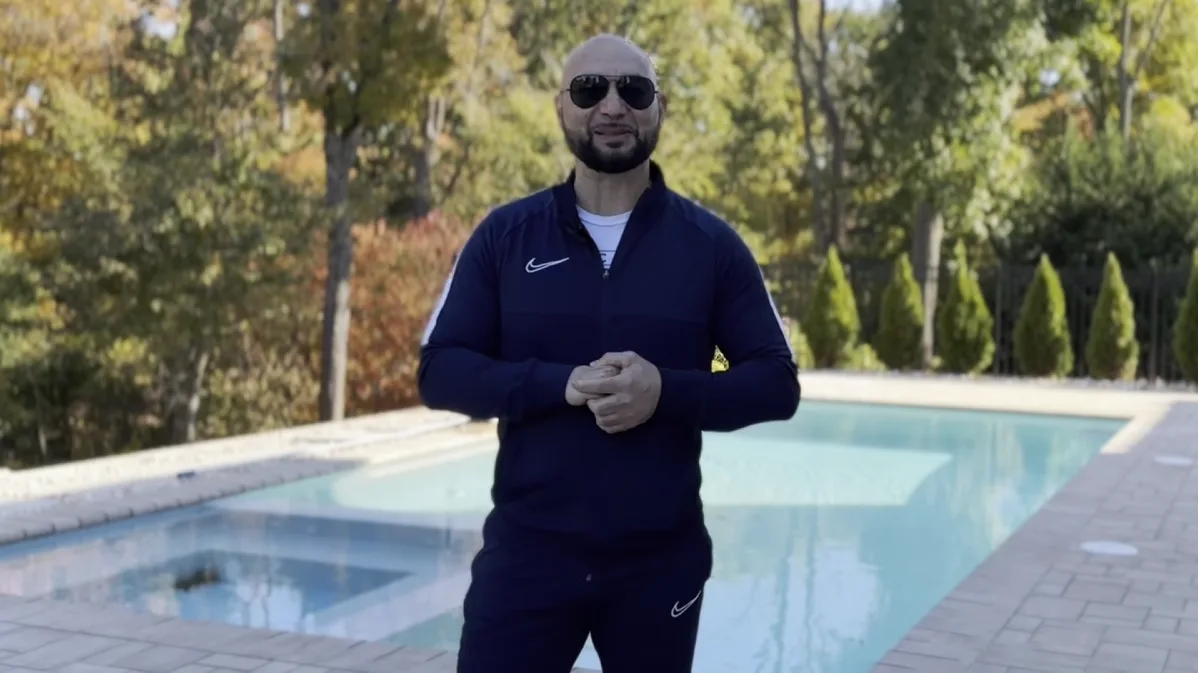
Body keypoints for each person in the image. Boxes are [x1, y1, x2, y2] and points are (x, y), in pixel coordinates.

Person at [418, 33, 801, 673]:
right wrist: (561, 385)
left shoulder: (711, 247)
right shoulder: (505, 237)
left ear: (660, 108)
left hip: (659, 564)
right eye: (590, 89)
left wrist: (665, 392)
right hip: (527, 559)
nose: (613, 105)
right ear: (561, 107)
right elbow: (441, 370)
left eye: (635, 90)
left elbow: (776, 383)